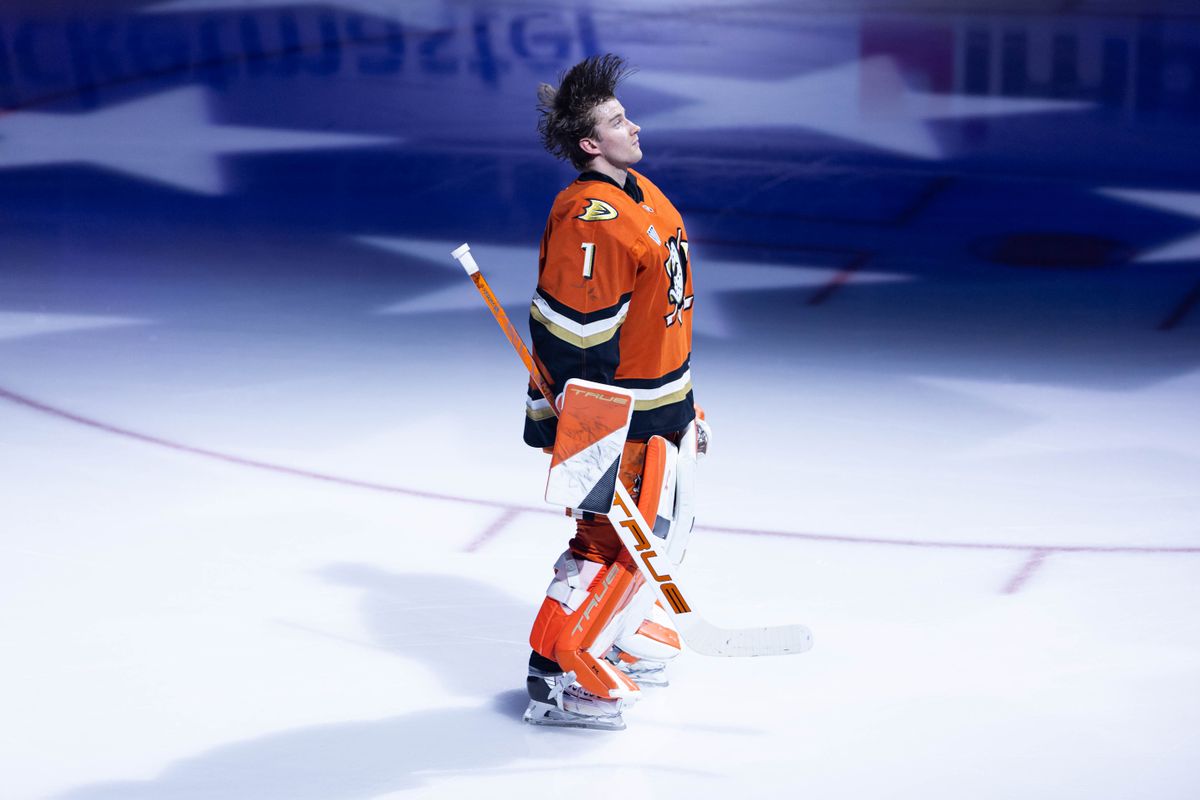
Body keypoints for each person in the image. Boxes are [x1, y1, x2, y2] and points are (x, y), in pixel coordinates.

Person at [520, 54, 703, 730]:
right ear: (589, 144)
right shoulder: (590, 216)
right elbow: (573, 336)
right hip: (616, 415)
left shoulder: (638, 190)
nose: (635, 126)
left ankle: (613, 635)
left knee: (658, 537)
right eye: (618, 121)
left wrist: (687, 402)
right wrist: (590, 438)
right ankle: (558, 672)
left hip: (664, 401)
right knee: (604, 542)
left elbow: (665, 307)